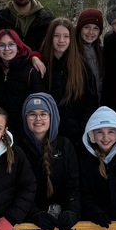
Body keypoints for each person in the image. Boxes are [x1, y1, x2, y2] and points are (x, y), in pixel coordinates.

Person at [17, 93, 81, 230]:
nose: (38, 119)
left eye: (43, 114)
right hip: (29, 224)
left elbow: (74, 185)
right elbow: (16, 188)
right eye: (32, 114)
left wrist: (72, 210)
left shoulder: (65, 145)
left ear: (52, 117)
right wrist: (33, 213)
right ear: (25, 117)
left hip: (63, 223)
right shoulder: (17, 149)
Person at [40, 17, 98, 147]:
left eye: (66, 36)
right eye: (56, 36)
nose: (61, 41)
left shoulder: (81, 66)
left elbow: (91, 100)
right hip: (47, 134)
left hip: (76, 135)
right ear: (50, 37)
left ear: (71, 39)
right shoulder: (42, 65)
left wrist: (82, 127)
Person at [0, 28, 45, 130]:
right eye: (1, 45)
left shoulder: (30, 72)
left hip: (23, 130)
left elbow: (38, 105)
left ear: (18, 47)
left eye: (11, 44)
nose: (6, 49)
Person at [76, 8, 105, 99]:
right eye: (87, 27)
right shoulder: (72, 50)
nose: (91, 32)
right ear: (80, 28)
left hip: (99, 104)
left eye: (96, 28)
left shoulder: (101, 52)